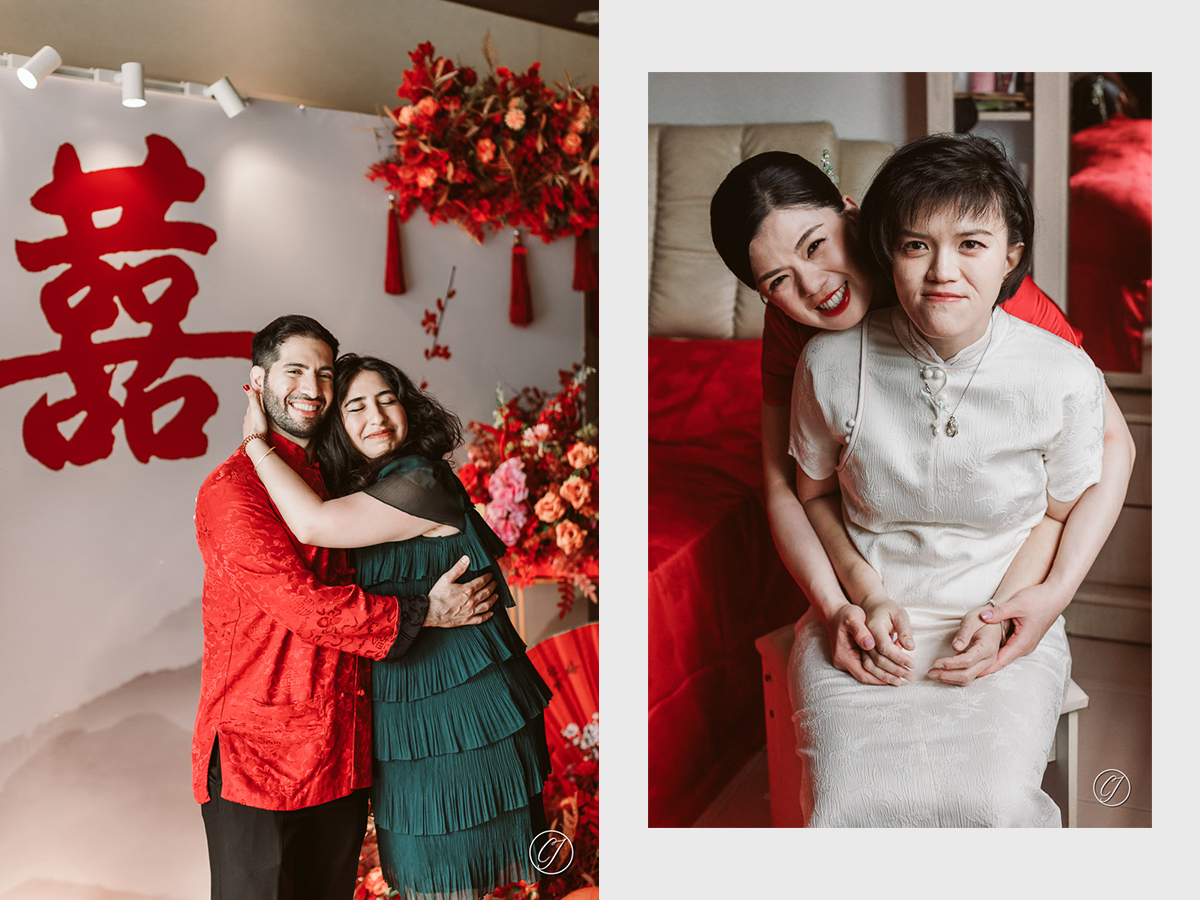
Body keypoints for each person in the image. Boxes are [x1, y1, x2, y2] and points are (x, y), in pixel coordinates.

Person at [709, 148, 1134, 687]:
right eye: (777, 282)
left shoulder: (982, 293)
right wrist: (835, 606)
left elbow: (1112, 440)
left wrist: (1053, 593)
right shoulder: (796, 335)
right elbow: (783, 485)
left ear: (852, 212)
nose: (813, 284)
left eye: (816, 245)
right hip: (867, 549)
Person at [788, 132, 1107, 825]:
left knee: (991, 806)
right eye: (914, 245)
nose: (942, 271)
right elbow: (810, 495)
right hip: (868, 621)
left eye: (971, 244)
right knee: (848, 805)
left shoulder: (1061, 373)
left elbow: (1058, 514)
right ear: (888, 255)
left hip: (1002, 612)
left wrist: (1002, 617)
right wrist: (858, 597)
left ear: (1009, 259)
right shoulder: (829, 363)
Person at [193, 315, 498, 899]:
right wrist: (423, 612)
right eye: (295, 371)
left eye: (324, 374)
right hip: (257, 762)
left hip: (340, 754)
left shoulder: (340, 479)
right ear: (256, 382)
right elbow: (304, 606)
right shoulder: (235, 490)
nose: (313, 387)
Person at [240, 353, 552, 899]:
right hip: (407, 720)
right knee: (426, 882)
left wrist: (255, 446)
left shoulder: (421, 479)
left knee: (445, 883)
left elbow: (312, 523)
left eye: (388, 399)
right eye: (356, 405)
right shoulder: (369, 487)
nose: (376, 416)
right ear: (337, 423)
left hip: (461, 718)